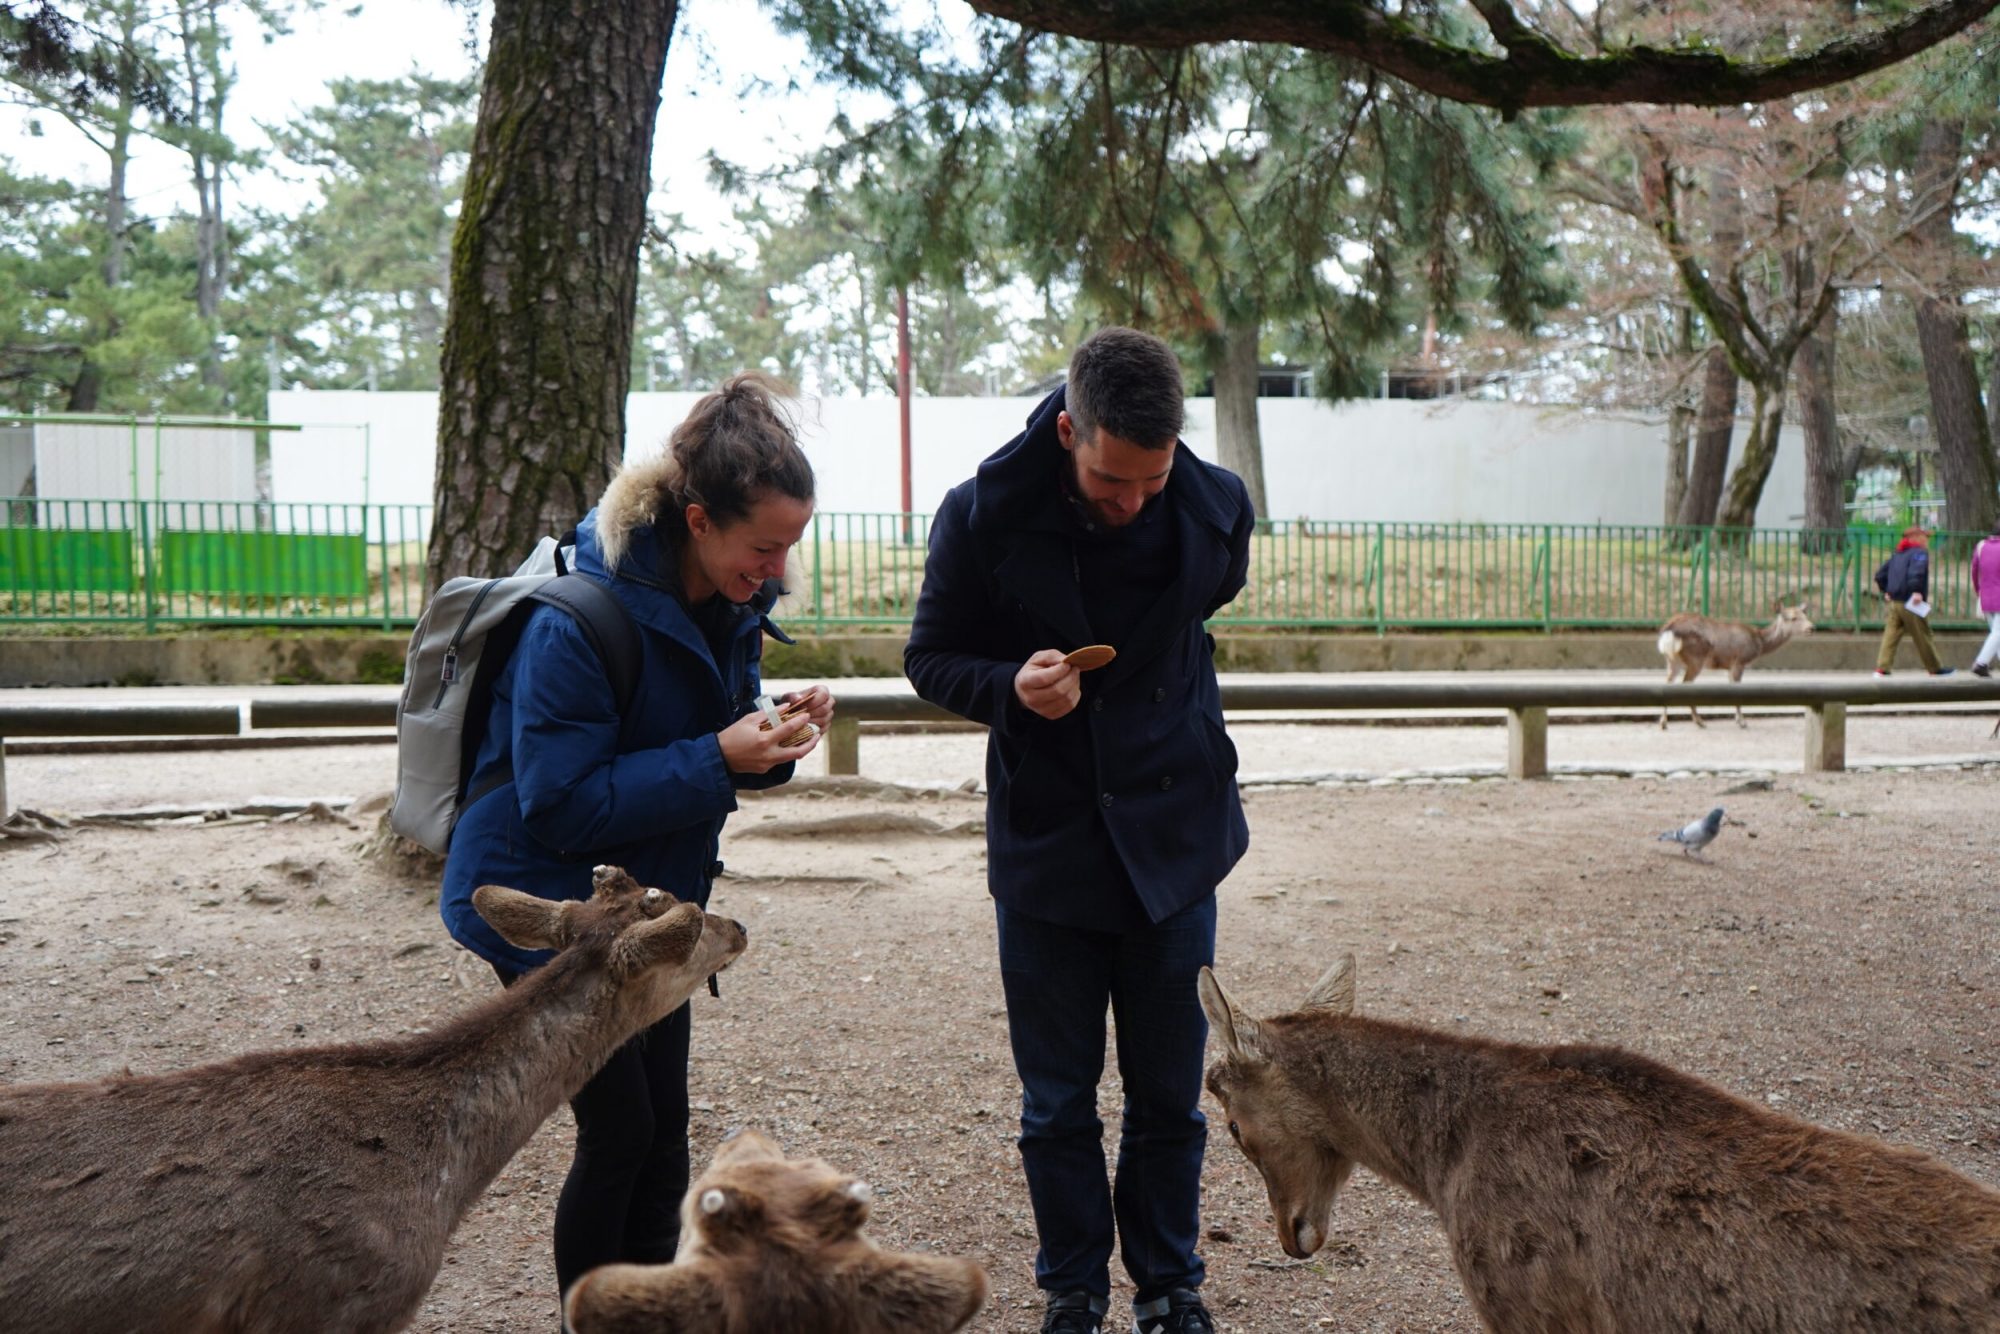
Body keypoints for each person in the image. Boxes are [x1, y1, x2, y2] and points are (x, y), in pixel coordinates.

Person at [437, 373, 835, 1316]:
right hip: (550, 907)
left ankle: (651, 1315)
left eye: (790, 548)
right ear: (698, 520)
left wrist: (770, 742)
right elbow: (561, 806)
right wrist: (715, 755)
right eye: (764, 548)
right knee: (621, 1135)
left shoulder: (726, 605)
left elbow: (710, 747)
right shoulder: (575, 621)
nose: (777, 571)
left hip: (651, 904)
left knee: (662, 1137)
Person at [904, 327, 1255, 1334]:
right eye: (1110, 477)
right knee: (1056, 1101)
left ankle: (1168, 1283)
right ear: (1067, 430)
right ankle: (1073, 1288)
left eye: (1151, 478)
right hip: (1049, 843)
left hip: (1176, 834)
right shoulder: (982, 512)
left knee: (1168, 1099)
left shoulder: (1214, 504)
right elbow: (929, 656)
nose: (1131, 499)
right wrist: (1009, 687)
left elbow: (1199, 611)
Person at [1872, 524, 1952, 676]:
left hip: (1895, 602)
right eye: (1924, 537)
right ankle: (1935, 668)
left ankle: (1882, 667)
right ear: (1915, 538)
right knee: (1923, 634)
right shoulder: (1919, 553)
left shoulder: (1898, 554)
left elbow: (1880, 575)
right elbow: (1917, 572)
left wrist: (1886, 590)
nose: (1927, 540)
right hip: (1911, 602)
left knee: (1890, 635)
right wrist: (1916, 591)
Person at [1971, 520, 2000, 677]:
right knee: (1998, 633)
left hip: (1986, 596)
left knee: (1996, 633)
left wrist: (1979, 591)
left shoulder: (1982, 546)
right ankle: (1981, 663)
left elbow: (1974, 571)